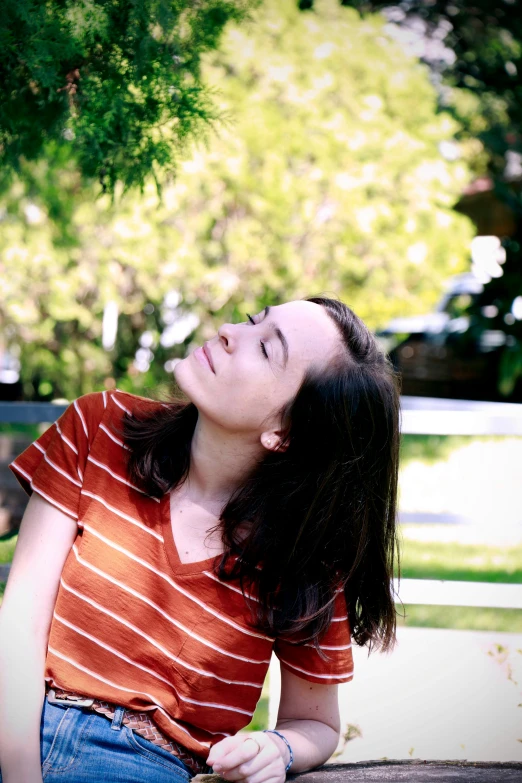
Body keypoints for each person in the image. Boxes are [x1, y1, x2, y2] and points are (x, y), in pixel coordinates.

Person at [0, 296, 400, 783]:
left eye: (266, 348)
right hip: (18, 721)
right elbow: (19, 625)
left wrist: (277, 749)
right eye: (255, 319)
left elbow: (314, 722)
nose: (232, 330)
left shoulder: (303, 559)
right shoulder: (98, 427)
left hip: (148, 765)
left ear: (286, 432)